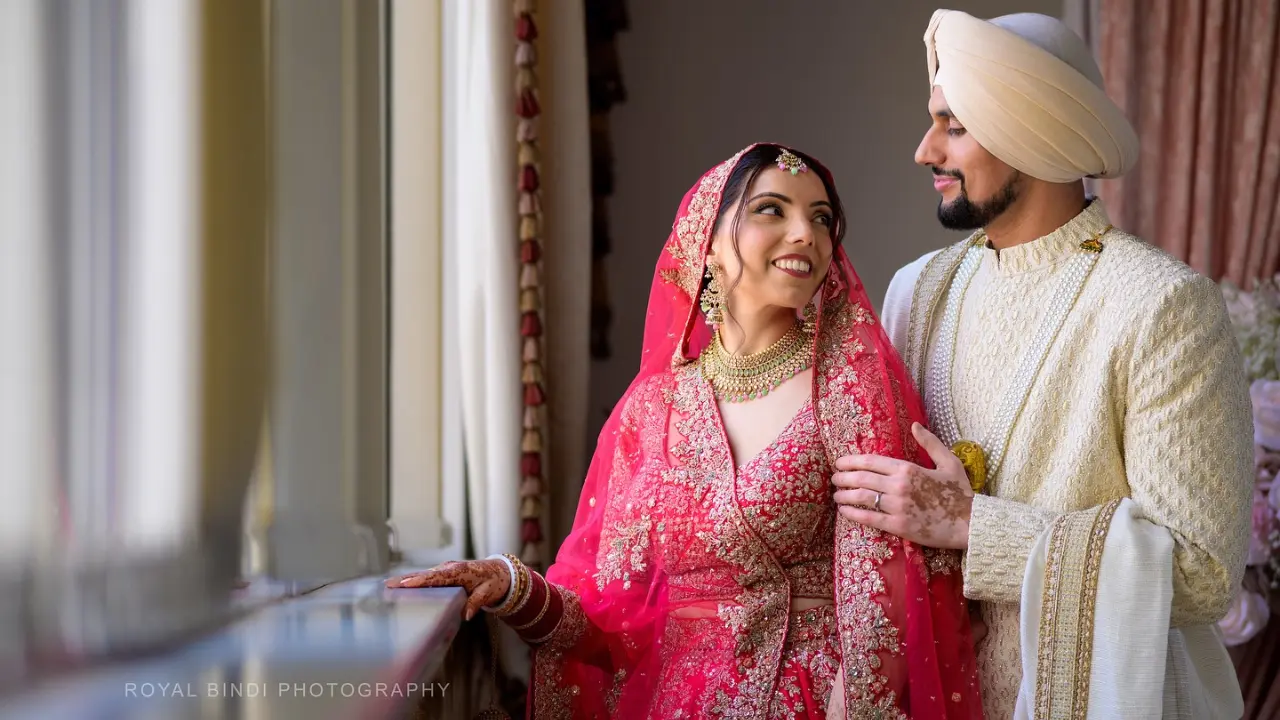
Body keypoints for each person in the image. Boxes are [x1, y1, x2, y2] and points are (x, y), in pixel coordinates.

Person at [388, 144, 984, 719]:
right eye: (771, 209)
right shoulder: (655, 406)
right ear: (709, 241)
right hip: (673, 700)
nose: (807, 232)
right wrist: (514, 587)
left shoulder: (848, 385)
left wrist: (856, 708)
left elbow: (885, 574)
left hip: (811, 696)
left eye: (822, 218)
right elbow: (605, 613)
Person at [831, 10, 1253, 719]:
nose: (924, 149)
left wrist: (973, 524)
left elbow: (1206, 575)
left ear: (1032, 131)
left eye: (953, 126)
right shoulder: (917, 290)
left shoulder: (1162, 305)